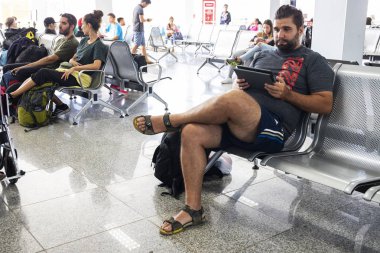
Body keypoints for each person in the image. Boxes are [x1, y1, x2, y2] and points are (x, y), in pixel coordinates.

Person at [133, 4, 334, 235]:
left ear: (300, 30)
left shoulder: (313, 60)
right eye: (277, 29)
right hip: (242, 123)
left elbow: (325, 104)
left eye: (287, 29)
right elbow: (249, 88)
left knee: (232, 100)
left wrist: (288, 94)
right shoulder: (264, 52)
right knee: (192, 132)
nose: (280, 35)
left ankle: (170, 120)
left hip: (275, 131)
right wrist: (245, 85)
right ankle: (194, 210)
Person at [9, 11, 108, 116]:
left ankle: (13, 95)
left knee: (43, 73)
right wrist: (73, 63)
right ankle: (61, 106)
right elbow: (72, 59)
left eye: (83, 24)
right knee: (41, 78)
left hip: (81, 77)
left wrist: (74, 68)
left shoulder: (99, 45)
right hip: (69, 72)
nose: (81, 27)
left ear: (89, 25)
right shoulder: (84, 41)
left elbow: (96, 66)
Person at [2, 13, 79, 116]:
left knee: (20, 72)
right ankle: (6, 98)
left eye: (64, 23)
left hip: (51, 69)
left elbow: (50, 59)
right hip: (45, 66)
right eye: (60, 22)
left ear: (72, 26)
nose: (60, 25)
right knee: (8, 67)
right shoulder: (61, 39)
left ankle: (15, 101)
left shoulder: (72, 42)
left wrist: (24, 66)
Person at [222, 19, 275, 84]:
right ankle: (229, 77)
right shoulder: (259, 34)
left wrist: (265, 42)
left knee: (249, 58)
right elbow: (249, 43)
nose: (265, 29)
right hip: (249, 49)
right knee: (235, 54)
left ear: (271, 28)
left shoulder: (273, 37)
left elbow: (271, 48)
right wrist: (255, 41)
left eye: (267, 27)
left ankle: (244, 79)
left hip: (258, 52)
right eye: (264, 27)